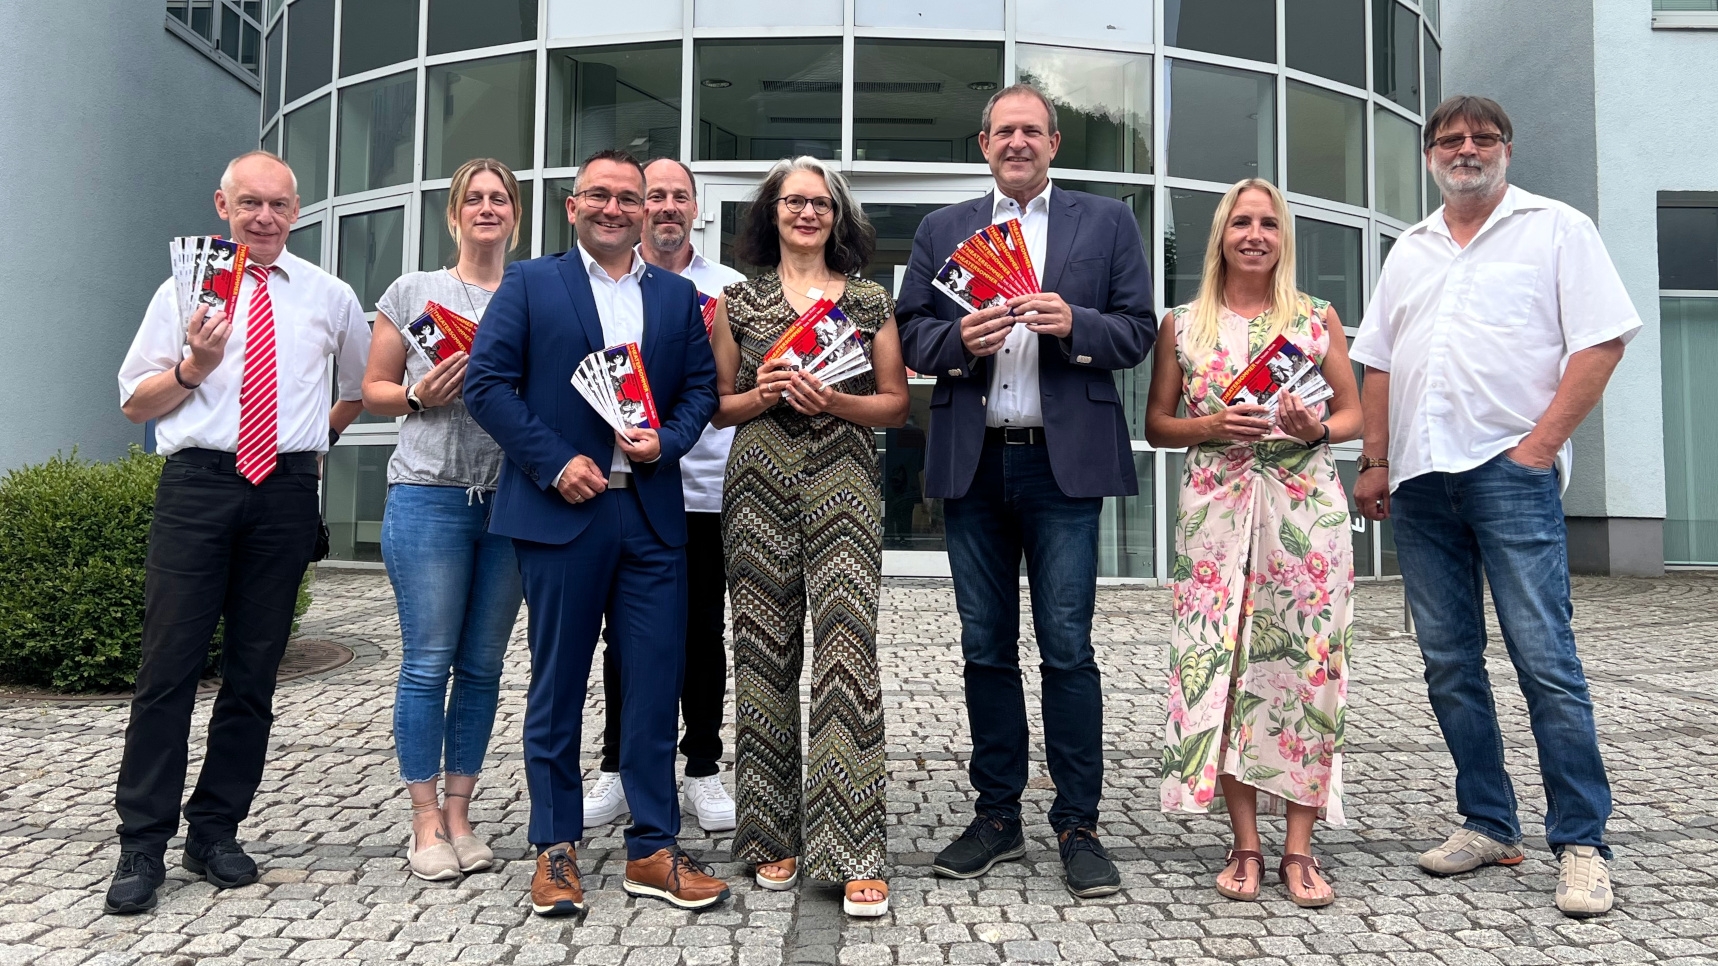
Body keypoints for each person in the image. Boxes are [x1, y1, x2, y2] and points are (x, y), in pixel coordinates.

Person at [1352, 96, 1639, 919]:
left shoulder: (1557, 229)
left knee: (1545, 659)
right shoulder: (1409, 248)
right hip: (1420, 481)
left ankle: (1581, 842)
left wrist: (1539, 448)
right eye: (1450, 140)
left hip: (1510, 472)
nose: (1466, 149)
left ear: (1507, 149)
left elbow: (1601, 342)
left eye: (1482, 138)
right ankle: (1488, 821)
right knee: (1448, 663)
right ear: (1430, 157)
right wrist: (1375, 460)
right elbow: (1380, 363)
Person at [896, 84, 1156, 899]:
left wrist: (1075, 323)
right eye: (1003, 131)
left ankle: (1078, 823)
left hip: (1060, 463)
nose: (1017, 142)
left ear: (1053, 143)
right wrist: (956, 339)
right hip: (974, 461)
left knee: (1067, 646)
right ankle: (997, 815)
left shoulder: (1105, 222)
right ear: (984, 144)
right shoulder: (943, 229)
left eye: (1031, 131)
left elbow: (1138, 330)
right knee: (985, 646)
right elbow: (908, 332)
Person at [464, 149, 728, 916]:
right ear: (573, 206)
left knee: (654, 683)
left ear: (646, 210)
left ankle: (652, 848)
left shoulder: (677, 297)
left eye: (629, 198)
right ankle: (555, 847)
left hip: (650, 513)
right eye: (600, 195)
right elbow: (487, 385)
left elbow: (701, 391)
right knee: (558, 684)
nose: (616, 208)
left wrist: (666, 442)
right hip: (562, 512)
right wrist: (553, 462)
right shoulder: (530, 283)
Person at [108, 151, 369, 914]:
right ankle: (142, 843)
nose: (264, 217)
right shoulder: (182, 290)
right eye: (249, 202)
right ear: (222, 205)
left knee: (255, 674)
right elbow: (134, 402)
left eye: (279, 204)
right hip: (198, 486)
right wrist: (194, 367)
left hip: (283, 491)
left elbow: (357, 387)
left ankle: (215, 830)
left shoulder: (330, 295)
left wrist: (310, 446)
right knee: (168, 670)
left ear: (297, 211)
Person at [1144, 179, 1362, 907]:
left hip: (1306, 513)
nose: (1255, 235)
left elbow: (1355, 413)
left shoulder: (1315, 317)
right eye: (1242, 222)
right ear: (1222, 234)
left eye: (1269, 223)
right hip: (1215, 514)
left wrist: (1316, 428)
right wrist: (1210, 426)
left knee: (1305, 667)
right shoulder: (1183, 324)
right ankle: (1245, 843)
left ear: (1283, 236)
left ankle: (1300, 848)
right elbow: (1158, 424)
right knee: (1226, 669)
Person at [710, 156, 909, 917]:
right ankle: (771, 831)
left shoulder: (868, 300)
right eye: (793, 201)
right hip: (757, 483)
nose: (806, 213)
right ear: (772, 212)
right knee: (762, 652)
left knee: (847, 650)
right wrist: (762, 393)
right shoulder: (738, 301)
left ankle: (852, 844)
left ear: (837, 216)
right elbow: (718, 407)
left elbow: (894, 404)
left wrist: (833, 400)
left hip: (844, 482)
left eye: (820, 203)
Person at [361, 158, 527, 881]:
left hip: (510, 500)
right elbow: (372, 388)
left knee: (483, 667)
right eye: (474, 199)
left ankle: (462, 812)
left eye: (500, 199)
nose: (487, 208)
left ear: (515, 215)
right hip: (429, 493)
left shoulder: (531, 293)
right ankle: (424, 819)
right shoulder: (413, 291)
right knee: (428, 662)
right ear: (454, 215)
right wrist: (418, 396)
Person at [584, 157, 744, 834]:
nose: (668, 207)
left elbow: (730, 389)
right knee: (623, 638)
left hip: (705, 490)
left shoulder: (728, 288)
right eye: (655, 196)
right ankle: (617, 766)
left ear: (695, 209)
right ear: (638, 207)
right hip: (625, 487)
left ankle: (702, 767)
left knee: (702, 636)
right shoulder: (609, 288)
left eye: (680, 196)